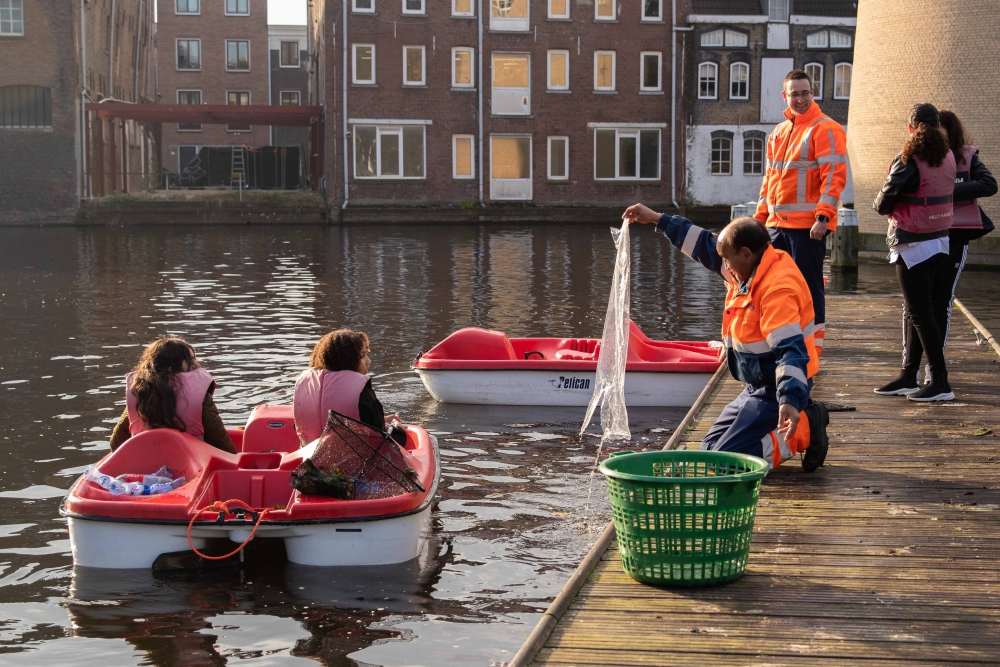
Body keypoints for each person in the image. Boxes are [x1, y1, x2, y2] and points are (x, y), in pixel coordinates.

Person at [624, 204, 829, 472]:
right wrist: (658, 220)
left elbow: (790, 352)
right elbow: (706, 246)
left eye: (727, 259)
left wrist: (788, 400)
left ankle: (807, 428)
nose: (723, 265)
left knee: (725, 465)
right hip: (755, 386)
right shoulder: (745, 268)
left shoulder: (777, 290)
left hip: (776, 392)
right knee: (709, 451)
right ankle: (780, 427)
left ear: (745, 254)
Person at [753, 69, 849, 359]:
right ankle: (783, 338)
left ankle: (813, 347)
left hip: (808, 227)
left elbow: (834, 176)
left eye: (805, 92)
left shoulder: (826, 128)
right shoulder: (778, 133)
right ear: (785, 96)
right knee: (775, 286)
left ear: (813, 93)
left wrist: (823, 217)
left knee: (808, 287)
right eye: (794, 93)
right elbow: (769, 181)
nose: (800, 98)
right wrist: (758, 221)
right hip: (776, 226)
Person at [873, 103, 957, 402]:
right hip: (940, 239)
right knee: (917, 310)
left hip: (912, 242)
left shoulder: (907, 159)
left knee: (921, 313)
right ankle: (909, 376)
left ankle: (940, 381)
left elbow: (882, 204)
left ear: (911, 128)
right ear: (937, 126)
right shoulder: (948, 157)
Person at [927, 110, 996, 382]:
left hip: (955, 234)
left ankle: (934, 369)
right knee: (922, 303)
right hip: (927, 232)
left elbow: (989, 184)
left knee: (942, 300)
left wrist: (949, 191)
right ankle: (916, 367)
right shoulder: (923, 155)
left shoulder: (967, 156)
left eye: (941, 133)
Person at [109, 338, 236, 453]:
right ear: (170, 367)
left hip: (145, 460)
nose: (196, 365)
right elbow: (220, 444)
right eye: (190, 360)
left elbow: (116, 442)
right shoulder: (201, 395)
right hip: (191, 463)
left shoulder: (140, 392)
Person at [293, 329, 400, 443]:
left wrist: (377, 421)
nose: (369, 361)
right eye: (362, 355)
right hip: (354, 459)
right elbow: (380, 439)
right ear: (347, 359)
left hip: (310, 458)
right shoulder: (361, 390)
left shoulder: (304, 382)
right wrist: (397, 430)